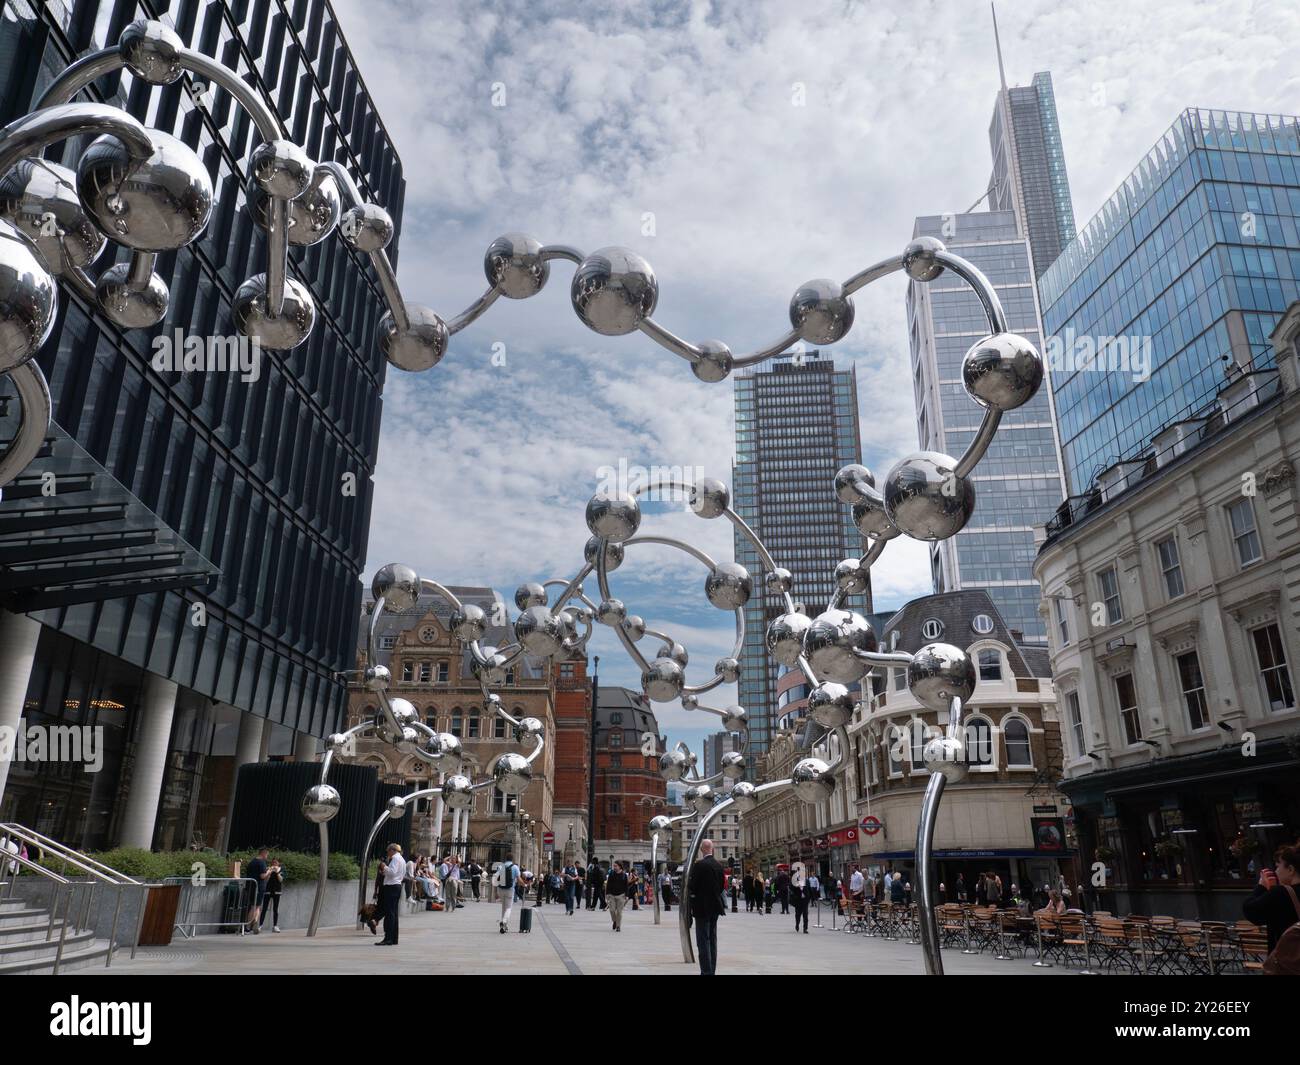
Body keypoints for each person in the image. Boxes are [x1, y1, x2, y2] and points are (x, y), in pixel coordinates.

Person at [1243, 842, 1300, 951]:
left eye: (1278, 866)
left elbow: (1250, 910)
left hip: (1289, 961)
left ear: (1291, 869)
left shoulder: (1281, 894)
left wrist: (1261, 887)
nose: (1276, 871)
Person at [688, 839, 726, 975]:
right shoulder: (719, 865)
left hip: (702, 908)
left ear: (702, 849)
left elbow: (693, 886)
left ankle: (706, 972)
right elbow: (722, 887)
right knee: (712, 940)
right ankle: (711, 971)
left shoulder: (700, 865)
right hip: (715, 907)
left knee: (703, 941)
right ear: (712, 849)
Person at [377, 843, 406, 945]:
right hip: (396, 886)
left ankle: (388, 938)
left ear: (392, 850)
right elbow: (399, 874)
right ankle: (393, 938)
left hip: (391, 887)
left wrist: (384, 867)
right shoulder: (402, 859)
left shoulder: (395, 859)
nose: (387, 853)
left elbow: (392, 872)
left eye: (388, 851)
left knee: (389, 913)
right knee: (393, 913)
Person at [246, 847, 270, 935]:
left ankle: (253, 924)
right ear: (263, 853)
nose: (267, 857)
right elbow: (263, 876)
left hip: (251, 886)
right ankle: (249, 926)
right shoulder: (261, 863)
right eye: (267, 854)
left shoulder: (252, 862)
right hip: (258, 887)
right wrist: (269, 871)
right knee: (255, 906)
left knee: (256, 906)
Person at [495, 854, 519, 933]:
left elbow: (496, 878)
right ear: (512, 859)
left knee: (503, 907)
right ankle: (504, 921)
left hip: (500, 889)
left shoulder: (500, 866)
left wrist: (496, 891)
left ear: (505, 859)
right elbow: (519, 879)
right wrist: (525, 884)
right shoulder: (515, 867)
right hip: (509, 890)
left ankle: (504, 926)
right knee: (508, 908)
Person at [259, 858, 284, 932]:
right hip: (268, 890)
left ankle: (275, 926)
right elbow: (265, 879)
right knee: (264, 908)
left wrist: (277, 872)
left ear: (279, 863)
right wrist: (269, 872)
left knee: (275, 909)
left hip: (277, 891)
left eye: (276, 862)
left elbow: (281, 880)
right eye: (273, 862)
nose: (274, 864)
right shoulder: (268, 869)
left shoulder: (281, 870)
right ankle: (260, 926)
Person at [606, 860, 630, 931]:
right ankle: (615, 921)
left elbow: (626, 886)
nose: (614, 867)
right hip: (612, 895)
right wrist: (607, 894)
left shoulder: (624, 875)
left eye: (616, 866)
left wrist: (627, 895)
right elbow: (608, 884)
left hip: (621, 896)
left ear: (620, 866)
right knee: (612, 910)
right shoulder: (611, 874)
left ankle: (618, 926)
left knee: (619, 912)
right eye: (614, 866)